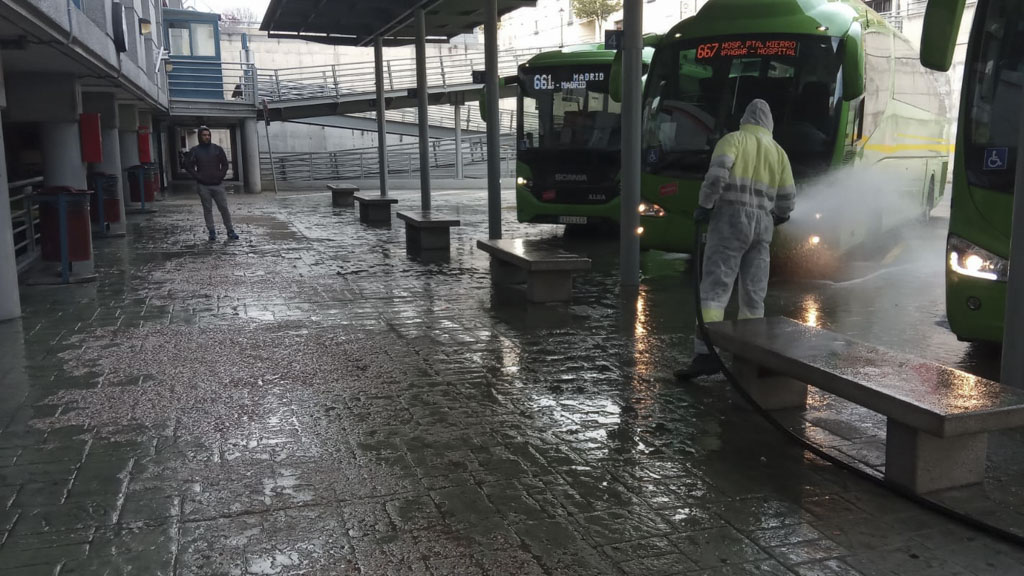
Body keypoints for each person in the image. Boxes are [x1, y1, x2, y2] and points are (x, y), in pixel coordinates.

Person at [675, 99, 796, 380]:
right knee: (754, 294)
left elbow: (717, 176)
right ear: (769, 124)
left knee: (715, 291)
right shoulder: (779, 153)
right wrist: (779, 215)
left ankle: (705, 354)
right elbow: (788, 198)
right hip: (762, 227)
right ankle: (748, 356)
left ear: (745, 119)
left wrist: (705, 205)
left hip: (729, 222)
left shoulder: (733, 140)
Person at [184, 126, 239, 241]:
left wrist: (221, 175)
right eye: (204, 135)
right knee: (207, 209)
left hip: (217, 184)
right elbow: (188, 166)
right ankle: (212, 231)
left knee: (224, 208)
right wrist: (198, 176)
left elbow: (225, 164)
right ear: (200, 136)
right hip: (203, 186)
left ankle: (230, 230)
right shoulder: (195, 151)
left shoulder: (217, 149)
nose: (207, 137)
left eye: (208, 135)